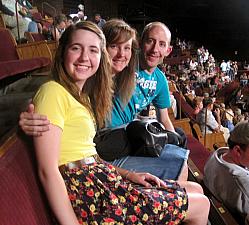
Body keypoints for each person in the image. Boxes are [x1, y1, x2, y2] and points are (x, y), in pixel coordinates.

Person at [32, 21, 209, 225]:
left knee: (195, 188)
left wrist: (129, 175)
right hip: (90, 192)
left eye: (92, 50)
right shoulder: (53, 92)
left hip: (102, 178)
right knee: (201, 203)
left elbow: (89, 154)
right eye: (76, 48)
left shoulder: (83, 95)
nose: (84, 57)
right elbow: (48, 170)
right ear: (62, 51)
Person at [19, 20, 189, 181]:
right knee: (172, 156)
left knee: (177, 139)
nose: (122, 54)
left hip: (111, 142)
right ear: (102, 49)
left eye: (127, 48)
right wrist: (27, 109)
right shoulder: (89, 74)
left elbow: (164, 118)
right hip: (102, 143)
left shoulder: (128, 73)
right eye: (114, 46)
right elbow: (54, 90)